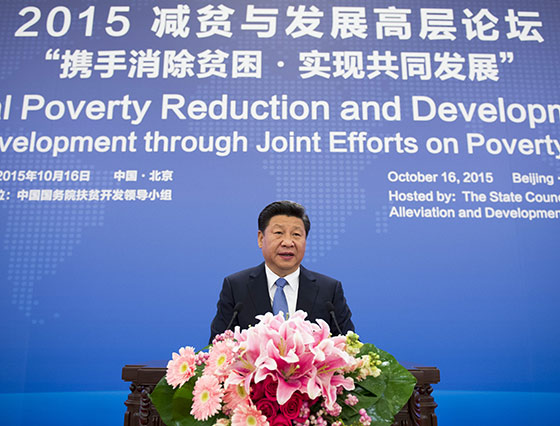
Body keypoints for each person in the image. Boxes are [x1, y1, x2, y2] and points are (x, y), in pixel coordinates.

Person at [209, 200, 354, 342]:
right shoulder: (236, 287)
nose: (288, 242)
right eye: (279, 233)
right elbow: (218, 347)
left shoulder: (329, 290)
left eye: (296, 234)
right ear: (261, 238)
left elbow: (349, 348)